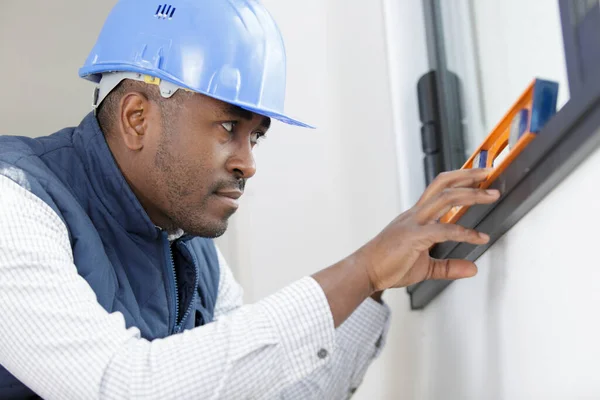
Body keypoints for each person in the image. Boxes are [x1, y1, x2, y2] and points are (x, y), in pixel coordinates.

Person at [0, 0, 500, 398]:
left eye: (255, 137)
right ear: (137, 117)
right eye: (228, 127)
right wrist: (360, 269)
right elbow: (120, 386)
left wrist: (374, 286)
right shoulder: (16, 202)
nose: (248, 163)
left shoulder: (192, 254)